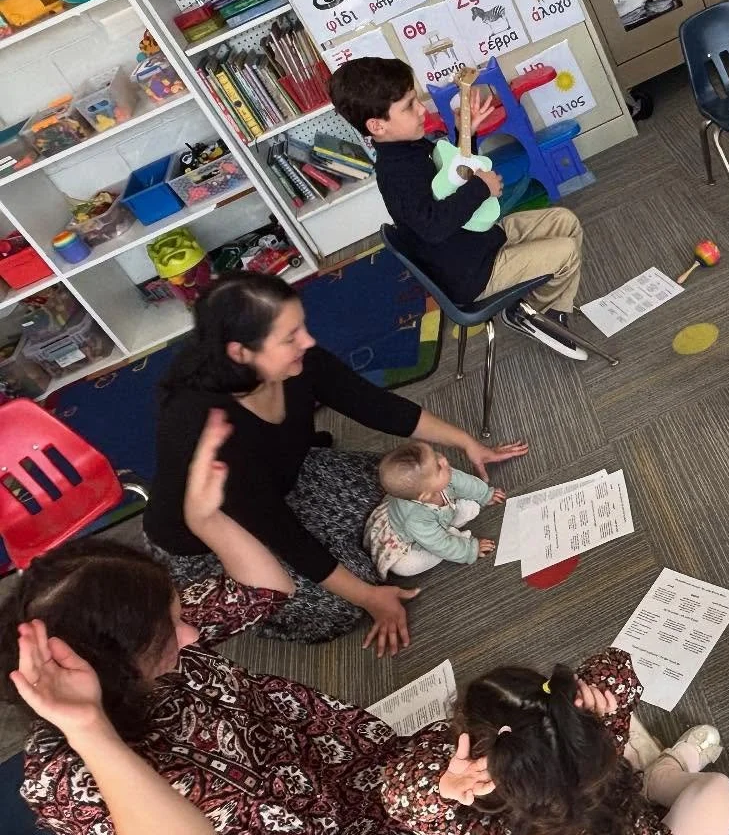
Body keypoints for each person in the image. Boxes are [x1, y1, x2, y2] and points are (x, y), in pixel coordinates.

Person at [2, 409, 465, 835]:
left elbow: (268, 590)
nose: (190, 633)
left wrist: (207, 520)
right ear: (113, 667)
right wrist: (89, 729)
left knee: (490, 776)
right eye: (169, 631)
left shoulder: (154, 637)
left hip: (343, 778)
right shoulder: (65, 775)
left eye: (177, 614)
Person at [146, 271, 527, 652]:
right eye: (290, 337)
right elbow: (283, 534)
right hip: (215, 537)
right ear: (240, 353)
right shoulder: (209, 433)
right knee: (344, 604)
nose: (308, 341)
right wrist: (367, 598)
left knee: (400, 483)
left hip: (286, 474)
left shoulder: (298, 362)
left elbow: (373, 405)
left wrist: (468, 443)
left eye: (302, 327)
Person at [380, 650, 729, 835]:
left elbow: (397, 796)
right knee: (721, 797)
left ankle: (659, 775)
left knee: (720, 796)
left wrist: (441, 786)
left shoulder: (482, 834)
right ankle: (661, 775)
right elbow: (619, 666)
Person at [329, 57, 588, 360]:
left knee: (564, 221)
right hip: (473, 273)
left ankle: (536, 307)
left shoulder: (411, 146)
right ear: (378, 126)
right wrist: (481, 188)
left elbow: (453, 175)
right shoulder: (397, 174)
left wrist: (470, 134)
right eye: (410, 106)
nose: (423, 110)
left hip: (481, 243)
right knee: (567, 252)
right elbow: (433, 226)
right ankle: (538, 317)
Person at [365, 439, 504, 578]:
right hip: (406, 539)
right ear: (425, 495)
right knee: (405, 566)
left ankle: (446, 528)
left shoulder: (440, 473)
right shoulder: (415, 519)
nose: (443, 460)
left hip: (430, 522)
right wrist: (469, 551)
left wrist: (485, 494)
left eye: (435, 454)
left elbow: (464, 482)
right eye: (437, 466)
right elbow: (440, 545)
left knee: (472, 507)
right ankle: (450, 533)